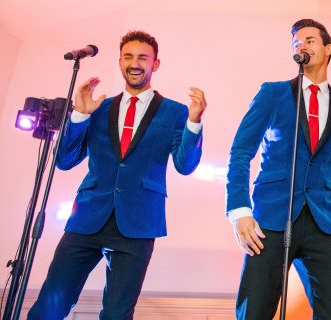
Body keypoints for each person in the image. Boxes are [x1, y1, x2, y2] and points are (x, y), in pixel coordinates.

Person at [28, 30, 206, 319]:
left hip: (138, 223)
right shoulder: (99, 108)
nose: (135, 63)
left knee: (117, 313)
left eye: (143, 58)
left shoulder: (175, 112)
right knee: (51, 303)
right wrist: (80, 115)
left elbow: (185, 165)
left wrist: (194, 122)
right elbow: (64, 160)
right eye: (128, 57)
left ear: (155, 64)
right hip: (87, 217)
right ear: (120, 61)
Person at [226, 18, 331, 320]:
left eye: (310, 40)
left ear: (328, 49)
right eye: (296, 43)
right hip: (271, 219)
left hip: (323, 221)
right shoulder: (272, 94)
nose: (302, 46)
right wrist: (239, 212)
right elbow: (240, 152)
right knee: (254, 311)